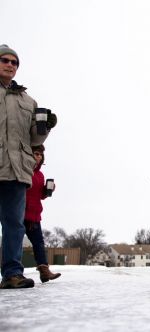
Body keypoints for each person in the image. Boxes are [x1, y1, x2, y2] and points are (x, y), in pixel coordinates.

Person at [0, 44, 57, 289]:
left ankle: (12, 274)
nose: (10, 64)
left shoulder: (27, 100)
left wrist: (46, 127)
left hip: (17, 170)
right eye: (5, 60)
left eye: (14, 62)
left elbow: (34, 139)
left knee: (14, 224)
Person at [24, 145, 61, 283]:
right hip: (20, 214)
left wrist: (47, 191)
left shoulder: (40, 175)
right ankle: (13, 272)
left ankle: (44, 271)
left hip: (34, 216)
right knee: (14, 242)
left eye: (40, 155)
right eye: (36, 153)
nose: (38, 156)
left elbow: (40, 195)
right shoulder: (24, 170)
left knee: (39, 243)